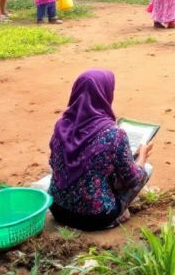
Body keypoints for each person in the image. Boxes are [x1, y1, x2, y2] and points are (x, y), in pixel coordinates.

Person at [49, 70, 152, 231]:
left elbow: (53, 163)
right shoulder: (114, 134)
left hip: (57, 210)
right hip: (95, 218)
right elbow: (132, 179)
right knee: (145, 168)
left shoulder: (61, 126)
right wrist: (142, 156)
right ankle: (117, 215)